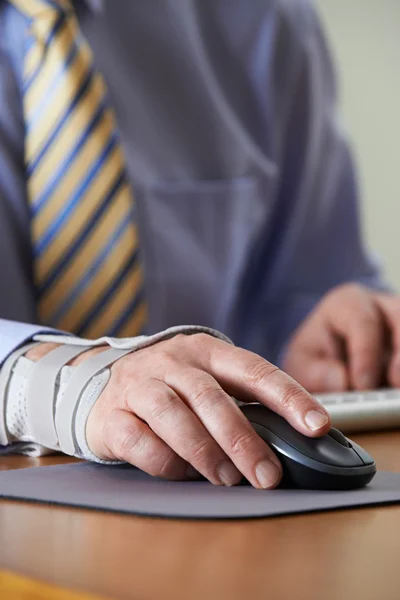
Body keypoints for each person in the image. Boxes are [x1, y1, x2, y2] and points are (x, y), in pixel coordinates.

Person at [0, 0, 398, 490]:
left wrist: (323, 342)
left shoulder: (264, 19)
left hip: (220, 502)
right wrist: (57, 386)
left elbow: (305, 286)